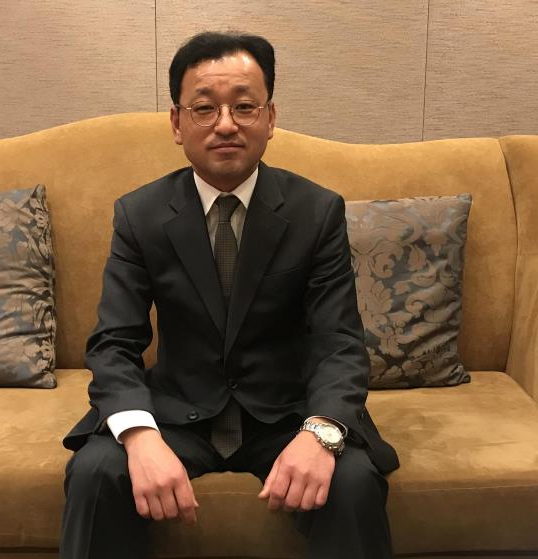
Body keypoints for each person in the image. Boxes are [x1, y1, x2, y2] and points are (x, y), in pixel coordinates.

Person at [60, 31, 399, 559]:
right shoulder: (139, 214)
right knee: (95, 472)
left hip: (286, 415)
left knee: (352, 481)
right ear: (177, 123)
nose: (225, 124)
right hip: (177, 413)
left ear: (270, 117)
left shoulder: (316, 211)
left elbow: (338, 342)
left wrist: (321, 432)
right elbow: (113, 343)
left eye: (244, 106)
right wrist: (139, 436)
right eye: (204, 108)